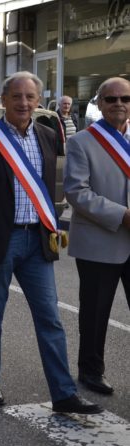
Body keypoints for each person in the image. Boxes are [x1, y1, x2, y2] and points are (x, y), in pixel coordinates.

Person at [0, 71, 102, 414]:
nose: (24, 103)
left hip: (37, 240)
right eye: (17, 97)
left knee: (50, 318)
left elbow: (52, 185)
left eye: (30, 97)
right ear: (4, 101)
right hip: (0, 240)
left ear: (39, 101)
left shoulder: (49, 134)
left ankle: (63, 393)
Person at [64, 77, 130, 395]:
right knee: (95, 313)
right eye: (111, 99)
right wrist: (123, 216)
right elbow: (78, 192)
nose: (119, 103)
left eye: (125, 98)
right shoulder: (81, 142)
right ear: (100, 104)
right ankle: (91, 371)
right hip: (100, 241)